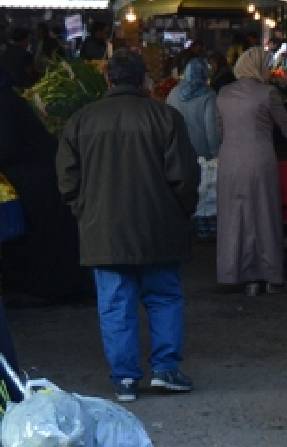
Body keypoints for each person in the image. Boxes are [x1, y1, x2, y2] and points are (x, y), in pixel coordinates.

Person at [56, 50, 199, 401]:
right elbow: (184, 176)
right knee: (164, 298)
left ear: (108, 79)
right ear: (143, 79)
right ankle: (165, 369)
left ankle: (124, 379)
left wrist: (84, 211)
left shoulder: (81, 120)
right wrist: (181, 212)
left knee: (115, 305)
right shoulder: (165, 117)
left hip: (103, 231)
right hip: (159, 227)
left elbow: (67, 179)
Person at [215, 47, 287, 296]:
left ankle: (238, 273)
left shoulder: (224, 93)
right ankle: (269, 275)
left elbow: (219, 130)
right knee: (264, 215)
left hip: (229, 161)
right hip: (260, 160)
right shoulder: (267, 93)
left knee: (235, 217)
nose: (269, 69)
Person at [0, 67, 86, 304]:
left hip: (33, 181)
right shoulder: (9, 99)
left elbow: (6, 146)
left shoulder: (5, 104)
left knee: (41, 239)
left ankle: (48, 289)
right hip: (36, 177)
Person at [167, 57, 221, 240]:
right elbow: (212, 130)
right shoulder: (208, 95)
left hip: (178, 152)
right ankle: (202, 229)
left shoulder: (173, 93)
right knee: (202, 194)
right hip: (202, 154)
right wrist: (215, 155)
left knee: (182, 192)